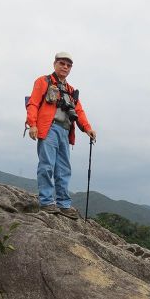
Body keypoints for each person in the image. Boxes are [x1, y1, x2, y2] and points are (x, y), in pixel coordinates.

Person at [26, 51, 97, 219]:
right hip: (49, 128)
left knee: (63, 169)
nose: (65, 67)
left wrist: (88, 129)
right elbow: (33, 103)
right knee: (47, 166)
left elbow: (79, 111)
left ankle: (64, 204)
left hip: (65, 131)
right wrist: (32, 124)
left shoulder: (71, 90)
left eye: (68, 65)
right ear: (54, 64)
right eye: (62, 63)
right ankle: (46, 202)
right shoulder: (43, 81)